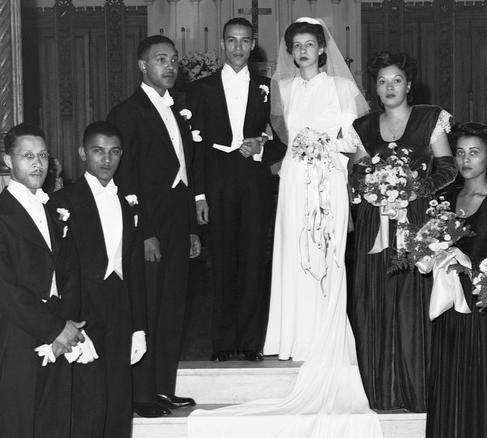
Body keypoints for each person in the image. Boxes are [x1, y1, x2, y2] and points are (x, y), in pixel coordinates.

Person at [188, 18, 382, 438]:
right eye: (296, 46)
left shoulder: (341, 88)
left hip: (328, 178)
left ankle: (323, 334)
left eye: (309, 45)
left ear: (322, 49)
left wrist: (325, 147)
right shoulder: (283, 88)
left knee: (324, 254)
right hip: (294, 181)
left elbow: (359, 139)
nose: (303, 51)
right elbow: (279, 137)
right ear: (289, 51)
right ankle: (289, 335)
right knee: (291, 253)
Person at [349, 51, 456, 412]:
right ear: (375, 88)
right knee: (375, 299)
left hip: (417, 221)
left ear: (408, 84)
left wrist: (416, 189)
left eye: (396, 80)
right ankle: (381, 391)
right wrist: (375, 184)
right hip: (374, 225)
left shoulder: (430, 119)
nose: (389, 87)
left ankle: (417, 390)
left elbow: (447, 168)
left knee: (413, 300)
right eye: (382, 81)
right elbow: (357, 172)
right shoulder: (363, 127)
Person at [106, 35, 202, 418]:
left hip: (178, 219)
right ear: (142, 66)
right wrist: (143, 231)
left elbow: (185, 169)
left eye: (174, 59)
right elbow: (123, 178)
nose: (170, 65)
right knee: (145, 307)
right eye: (161, 59)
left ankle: (163, 387)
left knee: (172, 305)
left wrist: (193, 227)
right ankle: (140, 393)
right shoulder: (126, 113)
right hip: (147, 223)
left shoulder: (180, 108)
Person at [0, 123, 86, 438]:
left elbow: (70, 273)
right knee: (16, 424)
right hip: (16, 336)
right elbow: (5, 291)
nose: (38, 164)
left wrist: (66, 325)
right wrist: (55, 329)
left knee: (55, 422)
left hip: (60, 333)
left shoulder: (55, 212)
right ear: (9, 161)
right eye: (27, 156)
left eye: (43, 156)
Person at [187, 18, 287, 363]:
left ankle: (249, 342)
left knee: (253, 262)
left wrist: (260, 149)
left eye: (245, 41)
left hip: (254, 181)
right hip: (216, 182)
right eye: (232, 41)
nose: (238, 48)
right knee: (221, 262)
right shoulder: (201, 89)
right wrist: (198, 195)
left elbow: (284, 142)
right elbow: (193, 150)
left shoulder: (269, 87)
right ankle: (221, 342)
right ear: (222, 45)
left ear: (253, 44)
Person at [47, 121, 148, 437]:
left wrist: (139, 327)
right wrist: (70, 323)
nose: (107, 160)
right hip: (83, 311)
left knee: (119, 401)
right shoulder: (64, 202)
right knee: (88, 405)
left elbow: (134, 267)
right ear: (82, 153)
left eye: (114, 151)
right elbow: (59, 272)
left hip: (119, 306)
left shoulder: (127, 200)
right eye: (98, 151)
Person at [425, 123, 487, 438]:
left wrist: (474, 266)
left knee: (479, 380)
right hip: (447, 304)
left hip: (483, 308)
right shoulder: (444, 198)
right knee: (446, 379)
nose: (466, 160)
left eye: (474, 153)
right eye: (460, 153)